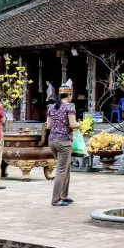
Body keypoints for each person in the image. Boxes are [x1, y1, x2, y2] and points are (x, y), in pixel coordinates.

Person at [46, 79, 80, 207]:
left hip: (52, 141)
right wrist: (81, 124)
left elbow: (48, 126)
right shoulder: (70, 107)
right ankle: (56, 199)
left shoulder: (52, 107)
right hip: (64, 142)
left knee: (66, 168)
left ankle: (64, 195)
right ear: (69, 95)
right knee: (61, 170)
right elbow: (73, 124)